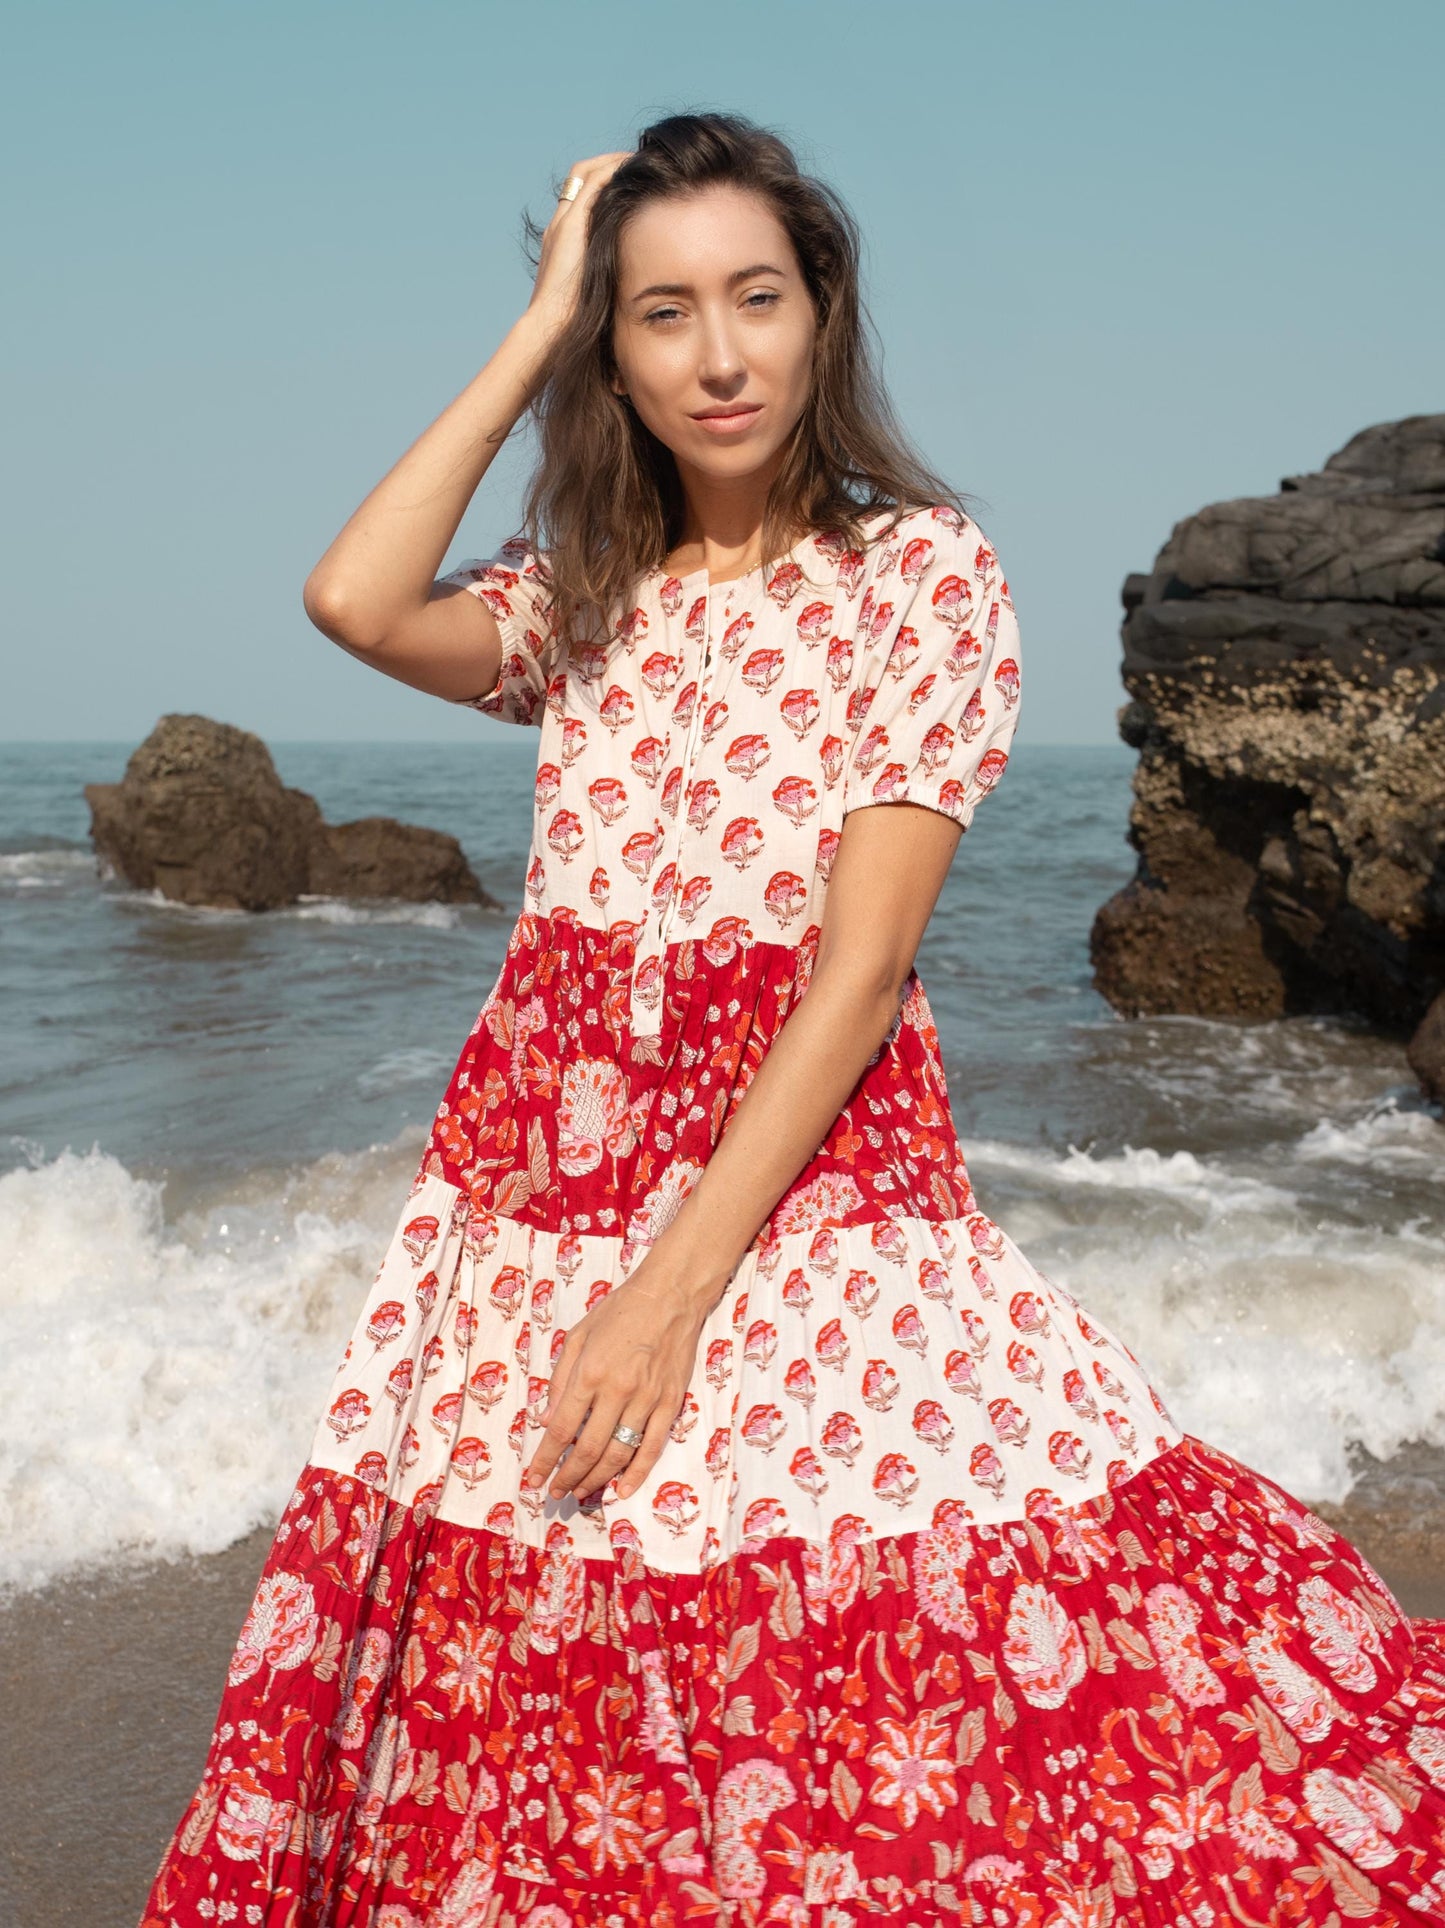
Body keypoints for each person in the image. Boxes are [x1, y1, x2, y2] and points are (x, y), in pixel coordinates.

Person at [140, 112, 1445, 1928]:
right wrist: (534, 326)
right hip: (535, 1186)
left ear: (822, 312)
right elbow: (352, 599)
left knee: (860, 1663)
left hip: (801, 1185)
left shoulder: (919, 576)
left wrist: (667, 1299)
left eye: (756, 297)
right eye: (659, 314)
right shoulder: (579, 598)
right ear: (614, 351)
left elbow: (851, 977)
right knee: (563, 1655)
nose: (719, 354)